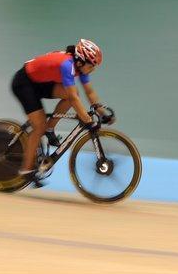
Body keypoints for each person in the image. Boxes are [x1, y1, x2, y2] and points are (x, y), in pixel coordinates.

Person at [10, 39, 109, 187]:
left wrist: (102, 112)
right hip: (24, 83)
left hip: (40, 82)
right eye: (92, 66)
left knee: (71, 95)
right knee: (39, 127)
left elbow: (89, 91)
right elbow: (74, 99)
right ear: (81, 62)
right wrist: (88, 121)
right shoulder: (67, 65)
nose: (93, 69)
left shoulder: (79, 66)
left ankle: (50, 129)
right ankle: (25, 171)